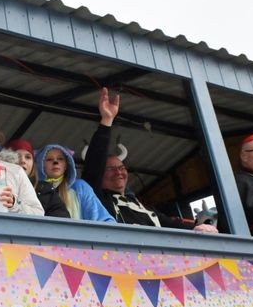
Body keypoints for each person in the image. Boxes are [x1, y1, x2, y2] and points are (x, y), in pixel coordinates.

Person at [82, 88, 217, 232]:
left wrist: (198, 227)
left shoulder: (142, 207)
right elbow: (94, 164)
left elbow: (169, 224)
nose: (119, 172)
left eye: (122, 168)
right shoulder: (99, 199)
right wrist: (107, 121)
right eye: (111, 169)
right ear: (100, 174)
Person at [34, 144, 115, 221]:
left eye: (60, 159)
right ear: (41, 165)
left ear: (66, 165)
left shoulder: (80, 187)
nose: (56, 162)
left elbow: (102, 219)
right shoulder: (33, 190)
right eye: (49, 159)